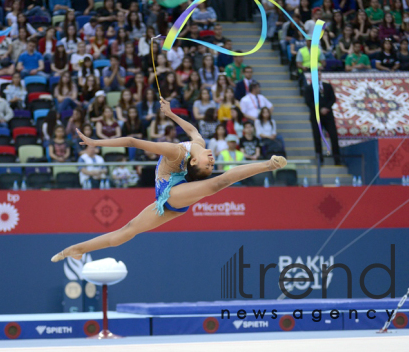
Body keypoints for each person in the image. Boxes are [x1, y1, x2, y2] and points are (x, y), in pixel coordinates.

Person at [51, 97, 286, 261]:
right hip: (170, 195)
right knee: (128, 230)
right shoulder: (189, 148)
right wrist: (171, 114)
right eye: (211, 163)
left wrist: (96, 143)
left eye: (209, 164)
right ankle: (77, 249)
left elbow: (140, 140)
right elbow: (187, 131)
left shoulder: (184, 152)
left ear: (194, 163)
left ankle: (268, 164)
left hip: (172, 194)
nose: (212, 160)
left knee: (217, 184)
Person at [304, 73, 340, 164]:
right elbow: (308, 102)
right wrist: (319, 109)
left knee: (333, 136)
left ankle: (337, 158)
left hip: (328, 116)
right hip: (316, 116)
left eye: (318, 75)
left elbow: (332, 99)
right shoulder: (308, 88)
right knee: (317, 137)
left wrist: (326, 108)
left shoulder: (327, 86)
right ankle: (319, 158)